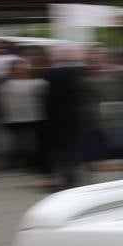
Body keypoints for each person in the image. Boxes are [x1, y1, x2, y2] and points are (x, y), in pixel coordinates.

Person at [42, 46, 90, 189]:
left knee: (61, 155)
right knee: (72, 153)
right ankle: (73, 181)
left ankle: (66, 181)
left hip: (56, 125)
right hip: (72, 123)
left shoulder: (51, 84)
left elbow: (46, 107)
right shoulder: (72, 85)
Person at [0, 59, 49, 175]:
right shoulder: (5, 86)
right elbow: (2, 103)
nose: (20, 71)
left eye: (23, 68)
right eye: (17, 69)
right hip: (15, 120)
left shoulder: (38, 83)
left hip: (35, 118)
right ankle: (24, 165)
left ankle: (33, 165)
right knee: (21, 143)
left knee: (33, 143)